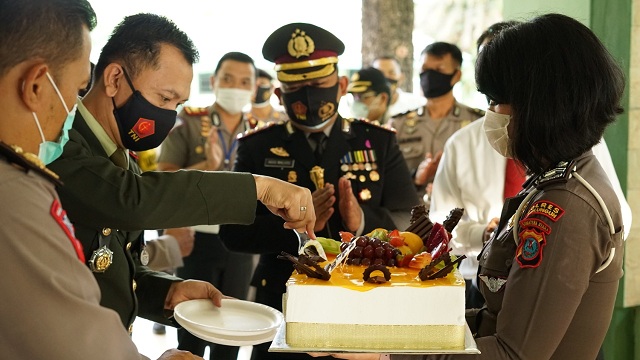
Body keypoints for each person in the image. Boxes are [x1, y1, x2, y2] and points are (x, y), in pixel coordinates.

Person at [317, 13, 626, 360]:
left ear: (541, 104)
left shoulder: (565, 205)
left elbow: (513, 353)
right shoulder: (550, 180)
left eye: (497, 100)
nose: (491, 113)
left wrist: (386, 355)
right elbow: (495, 321)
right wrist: (392, 325)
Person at [48, 13, 316, 336]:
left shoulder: (121, 157)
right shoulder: (57, 142)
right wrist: (256, 187)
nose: (168, 115)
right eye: (164, 98)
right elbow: (134, 198)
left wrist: (166, 291)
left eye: (177, 104)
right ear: (115, 79)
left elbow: (113, 271)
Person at [0, 1, 201, 358]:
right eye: (76, 89)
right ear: (34, 85)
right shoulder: (14, 190)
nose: (72, 112)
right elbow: (65, 339)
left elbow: (109, 266)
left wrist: (163, 293)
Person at [219, 22, 421, 360]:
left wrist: (362, 223)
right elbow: (232, 234)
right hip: (283, 302)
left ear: (341, 85)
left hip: (364, 298)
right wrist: (291, 226)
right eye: (297, 87)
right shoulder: (257, 147)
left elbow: (409, 218)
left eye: (318, 84)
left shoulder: (378, 141)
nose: (309, 95)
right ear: (280, 95)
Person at [429, 20, 633, 312]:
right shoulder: (463, 143)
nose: (493, 106)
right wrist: (484, 235)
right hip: (483, 287)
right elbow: (441, 223)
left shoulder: (579, 159)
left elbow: (614, 220)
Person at [157, 51, 258, 359]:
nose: (235, 87)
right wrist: (206, 164)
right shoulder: (189, 121)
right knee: (192, 326)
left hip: (241, 239)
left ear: (254, 88)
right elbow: (163, 177)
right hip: (197, 238)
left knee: (232, 324)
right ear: (214, 81)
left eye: (244, 82)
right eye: (228, 79)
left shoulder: (260, 130)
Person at [388, 42, 484, 193]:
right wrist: (416, 179)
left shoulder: (477, 122)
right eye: (425, 69)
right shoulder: (398, 124)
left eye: (439, 70)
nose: (429, 76)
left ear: (456, 75)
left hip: (461, 213)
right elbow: (387, 179)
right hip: (411, 212)